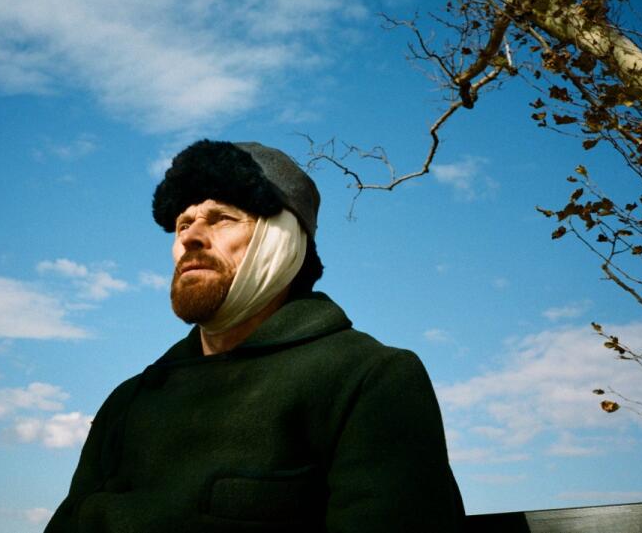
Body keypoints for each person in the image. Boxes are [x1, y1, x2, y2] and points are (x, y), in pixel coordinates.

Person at [45, 140, 464, 533]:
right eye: (182, 223)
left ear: (279, 239)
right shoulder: (129, 401)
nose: (189, 236)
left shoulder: (369, 378)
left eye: (222, 219)